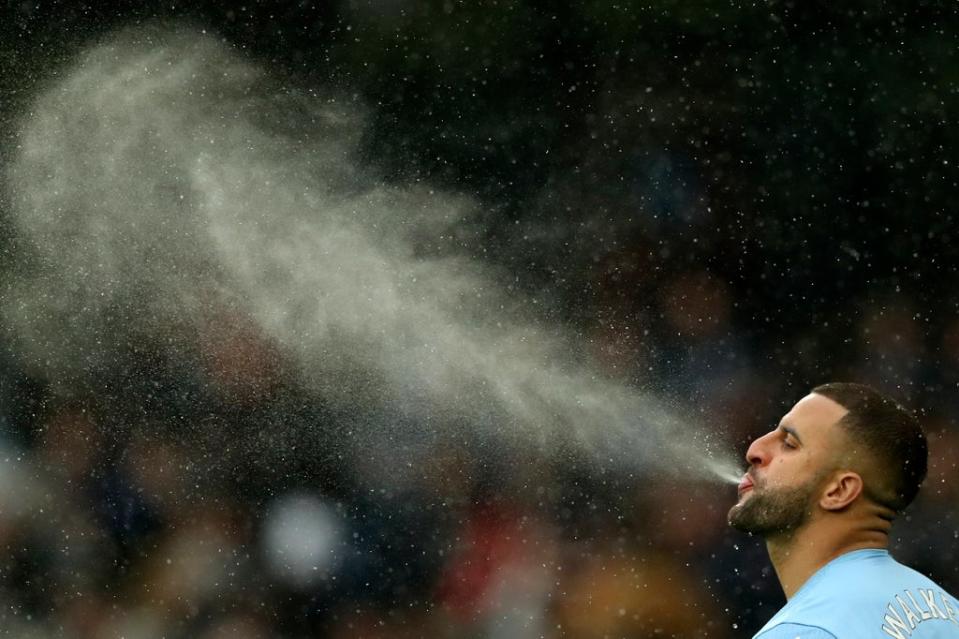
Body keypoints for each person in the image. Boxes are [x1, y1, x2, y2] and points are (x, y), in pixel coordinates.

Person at [728, 382, 959, 638]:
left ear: (839, 491)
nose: (754, 450)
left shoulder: (807, 630)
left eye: (790, 444)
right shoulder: (949, 612)